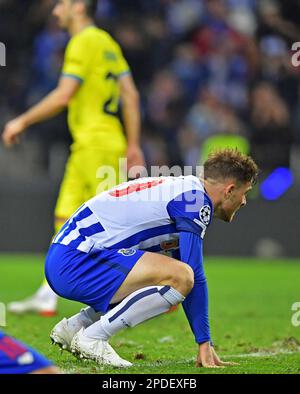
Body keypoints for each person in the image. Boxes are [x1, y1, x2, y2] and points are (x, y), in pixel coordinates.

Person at [47, 149, 258, 368]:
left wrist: (204, 340)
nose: (244, 201)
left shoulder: (186, 190)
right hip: (75, 261)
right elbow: (192, 275)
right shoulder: (195, 201)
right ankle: (93, 337)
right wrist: (204, 341)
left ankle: (76, 326)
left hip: (69, 257)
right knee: (180, 278)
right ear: (230, 190)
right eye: (245, 193)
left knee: (169, 280)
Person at [2, 0, 144, 316]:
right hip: (91, 145)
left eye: (61, 4)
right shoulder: (107, 42)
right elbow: (131, 95)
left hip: (97, 146)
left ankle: (150, 286)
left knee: (114, 226)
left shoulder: (82, 41)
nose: (55, 11)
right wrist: (133, 143)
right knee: (64, 216)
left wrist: (21, 121)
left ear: (79, 7)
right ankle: (47, 293)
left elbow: (65, 94)